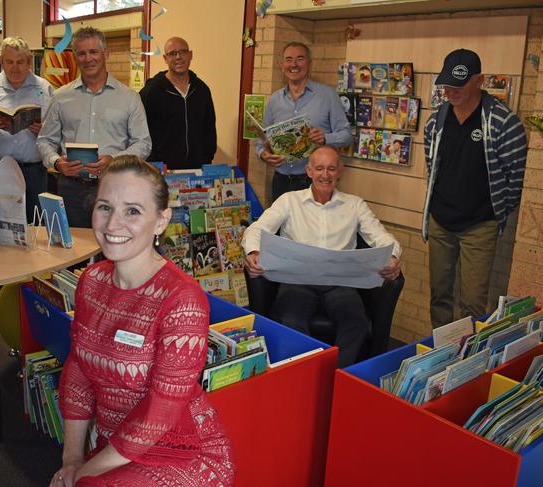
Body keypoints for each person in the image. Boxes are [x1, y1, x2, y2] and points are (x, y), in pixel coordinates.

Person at [49, 156, 234, 487]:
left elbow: (162, 409)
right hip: (116, 445)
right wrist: (73, 458)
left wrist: (84, 473)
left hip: (182, 450)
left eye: (132, 211)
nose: (112, 224)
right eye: (105, 207)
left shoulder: (182, 299)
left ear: (161, 220)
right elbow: (78, 369)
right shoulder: (91, 280)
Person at [242, 146, 402, 367]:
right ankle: (307, 373)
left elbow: (384, 238)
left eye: (331, 169)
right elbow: (256, 230)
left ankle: (337, 375)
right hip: (297, 281)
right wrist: (253, 252)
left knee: (356, 325)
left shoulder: (355, 205)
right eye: (319, 168)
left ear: (340, 171)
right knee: (291, 321)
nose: (325, 175)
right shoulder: (289, 201)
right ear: (308, 171)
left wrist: (393, 257)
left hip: (341, 284)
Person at [423, 49, 527, 328]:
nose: (450, 91)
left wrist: (493, 216)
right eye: (446, 85)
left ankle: (466, 363)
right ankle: (438, 355)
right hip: (440, 222)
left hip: (480, 226)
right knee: (439, 295)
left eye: (458, 85)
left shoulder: (504, 122)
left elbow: (515, 181)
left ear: (479, 80)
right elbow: (432, 169)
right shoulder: (436, 121)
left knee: (473, 302)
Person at [37, 27, 151, 228]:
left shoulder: (129, 98)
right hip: (71, 190)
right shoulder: (60, 97)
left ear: (105, 54)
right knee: (75, 251)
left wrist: (114, 161)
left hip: (116, 186)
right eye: (81, 53)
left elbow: (143, 143)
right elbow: (45, 140)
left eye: (93, 52)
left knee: (114, 250)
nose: (88, 58)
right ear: (75, 57)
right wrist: (56, 163)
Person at [256, 42, 351, 201]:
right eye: (288, 59)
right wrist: (264, 154)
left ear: (309, 64)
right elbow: (261, 141)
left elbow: (346, 135)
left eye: (300, 59)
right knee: (281, 226)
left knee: (314, 226)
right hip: (281, 180)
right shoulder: (274, 100)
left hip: (315, 181)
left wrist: (325, 138)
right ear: (282, 65)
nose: (293, 64)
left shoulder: (327, 96)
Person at [0, 36, 54, 222]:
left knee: (35, 226)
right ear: (1, 61)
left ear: (29, 61)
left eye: (20, 62)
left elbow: (57, 127)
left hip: (33, 171)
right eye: (9, 62)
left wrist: (45, 130)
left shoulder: (44, 87)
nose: (15, 67)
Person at [139, 36, 217, 169]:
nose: (178, 57)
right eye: (172, 53)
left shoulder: (202, 90)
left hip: (196, 170)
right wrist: (152, 162)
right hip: (161, 171)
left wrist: (206, 159)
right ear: (165, 58)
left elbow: (209, 129)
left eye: (183, 52)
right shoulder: (152, 91)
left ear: (190, 55)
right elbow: (140, 131)